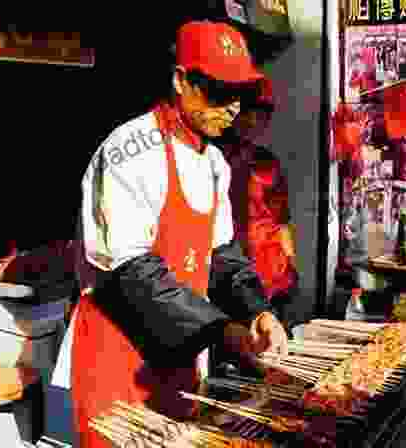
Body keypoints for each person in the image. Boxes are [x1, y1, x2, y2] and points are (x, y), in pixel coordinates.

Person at [52, 21, 289, 448]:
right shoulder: (130, 150)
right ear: (181, 80)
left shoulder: (213, 161)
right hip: (117, 362)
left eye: (242, 93)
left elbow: (222, 254)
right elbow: (132, 273)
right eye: (219, 90)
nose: (234, 106)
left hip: (179, 362)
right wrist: (224, 333)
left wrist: (257, 311)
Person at [215, 78, 304, 330]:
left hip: (273, 275)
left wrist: (291, 264)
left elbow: (282, 221)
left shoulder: (268, 164)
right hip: (230, 274)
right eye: (249, 113)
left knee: (275, 351)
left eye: (262, 115)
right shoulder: (210, 157)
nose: (254, 122)